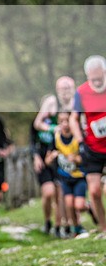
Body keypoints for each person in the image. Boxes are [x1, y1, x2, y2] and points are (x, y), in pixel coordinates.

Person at [32, 76, 76, 237]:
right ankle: (49, 222)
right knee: (50, 192)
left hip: (63, 151)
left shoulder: (75, 104)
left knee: (62, 192)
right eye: (62, 89)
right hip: (47, 152)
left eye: (68, 88)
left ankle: (64, 225)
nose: (65, 92)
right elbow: (37, 124)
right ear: (57, 90)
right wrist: (53, 129)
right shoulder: (51, 102)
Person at [69, 55, 106, 233]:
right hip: (92, 148)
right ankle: (104, 228)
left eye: (100, 78)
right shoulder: (81, 92)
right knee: (94, 191)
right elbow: (73, 119)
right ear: (87, 76)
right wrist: (79, 140)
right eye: (93, 79)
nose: (97, 82)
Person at [45, 112, 88, 237]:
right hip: (64, 177)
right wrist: (52, 157)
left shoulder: (78, 137)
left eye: (67, 120)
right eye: (61, 121)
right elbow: (47, 161)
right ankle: (76, 228)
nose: (65, 124)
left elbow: (86, 158)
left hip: (79, 176)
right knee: (69, 204)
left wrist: (75, 159)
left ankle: (89, 207)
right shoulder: (56, 138)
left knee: (79, 205)